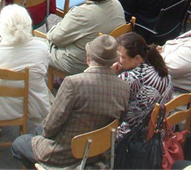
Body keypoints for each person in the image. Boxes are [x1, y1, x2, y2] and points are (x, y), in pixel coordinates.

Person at [11, 35, 130, 169]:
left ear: (88, 58)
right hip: (97, 152)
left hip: (64, 156)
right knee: (39, 130)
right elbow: (118, 121)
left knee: (19, 144)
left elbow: (50, 128)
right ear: (113, 62)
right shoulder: (124, 88)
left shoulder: (74, 83)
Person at [47, 0, 125, 75]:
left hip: (80, 63)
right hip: (109, 58)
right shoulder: (117, 4)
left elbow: (55, 38)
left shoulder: (80, 13)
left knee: (37, 45)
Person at [113, 32, 173, 138]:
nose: (118, 61)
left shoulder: (128, 78)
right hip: (161, 128)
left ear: (137, 58)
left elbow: (111, 103)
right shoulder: (159, 66)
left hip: (137, 136)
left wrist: (113, 74)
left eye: (122, 57)